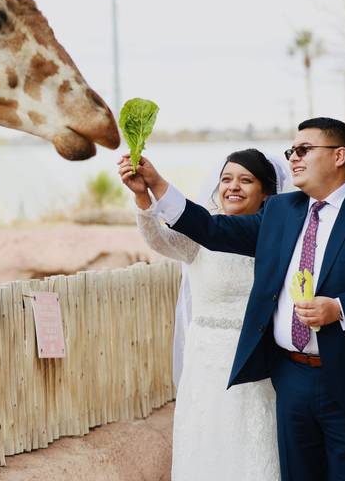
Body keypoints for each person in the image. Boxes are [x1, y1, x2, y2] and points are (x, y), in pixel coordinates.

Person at [123, 117, 345, 481]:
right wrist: (155, 185)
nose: (293, 158)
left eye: (304, 150)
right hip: (292, 379)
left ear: (339, 155)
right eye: (291, 151)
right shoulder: (281, 212)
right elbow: (211, 229)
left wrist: (340, 308)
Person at [122, 148, 286, 479]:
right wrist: (143, 197)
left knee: (253, 443)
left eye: (246, 180)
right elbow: (158, 239)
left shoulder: (275, 238)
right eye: (226, 179)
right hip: (205, 363)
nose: (233, 187)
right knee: (206, 443)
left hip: (255, 360)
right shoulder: (199, 237)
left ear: (266, 192)